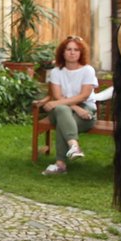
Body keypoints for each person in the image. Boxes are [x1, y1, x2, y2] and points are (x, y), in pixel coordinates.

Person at [39, 35, 98, 176]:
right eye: (68, 49)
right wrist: (76, 108)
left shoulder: (88, 70)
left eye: (76, 50)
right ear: (62, 52)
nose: (72, 53)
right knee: (61, 110)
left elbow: (84, 96)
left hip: (86, 111)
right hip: (67, 110)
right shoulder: (56, 72)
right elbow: (58, 96)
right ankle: (74, 147)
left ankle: (60, 164)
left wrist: (59, 103)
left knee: (62, 122)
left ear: (81, 53)